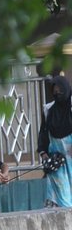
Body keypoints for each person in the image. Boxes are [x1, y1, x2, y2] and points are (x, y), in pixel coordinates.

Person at [37, 75, 72, 208]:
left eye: (60, 90)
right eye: (54, 91)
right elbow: (43, 132)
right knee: (60, 191)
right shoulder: (48, 109)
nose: (57, 93)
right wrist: (43, 152)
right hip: (57, 158)